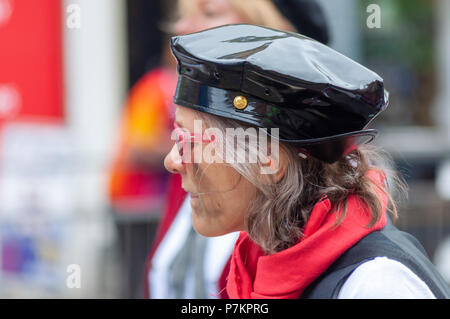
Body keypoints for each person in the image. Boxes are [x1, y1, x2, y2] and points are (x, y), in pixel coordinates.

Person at [163, 23, 450, 299]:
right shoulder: (256, 262)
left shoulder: (376, 285)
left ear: (268, 159)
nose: (172, 161)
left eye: (190, 141)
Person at [145, 0, 330, 299]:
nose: (181, 28)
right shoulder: (196, 165)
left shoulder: (306, 215)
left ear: (278, 37)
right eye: (182, 17)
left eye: (211, 12)